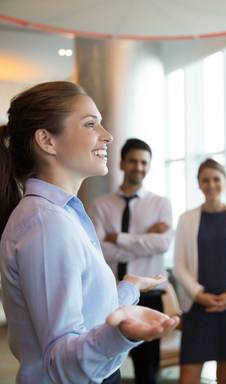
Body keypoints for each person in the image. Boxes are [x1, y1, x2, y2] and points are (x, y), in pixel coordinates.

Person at [0, 81, 179, 384]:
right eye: (89, 124)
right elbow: (60, 361)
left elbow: (89, 318)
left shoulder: (63, 214)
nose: (107, 136)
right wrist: (120, 335)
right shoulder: (47, 223)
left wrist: (129, 288)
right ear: (47, 140)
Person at [89, 138, 172, 384]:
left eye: (144, 162)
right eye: (133, 161)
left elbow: (163, 244)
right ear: (122, 163)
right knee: (103, 365)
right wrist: (145, 239)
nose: (139, 167)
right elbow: (98, 253)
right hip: (109, 294)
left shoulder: (160, 204)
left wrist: (119, 239)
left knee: (148, 372)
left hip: (150, 296)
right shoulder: (100, 206)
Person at [173, 158, 226, 384]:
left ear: (225, 181)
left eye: (216, 179)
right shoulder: (186, 219)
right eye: (205, 180)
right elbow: (179, 264)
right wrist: (198, 295)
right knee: (188, 378)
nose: (211, 184)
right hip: (198, 307)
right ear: (199, 184)